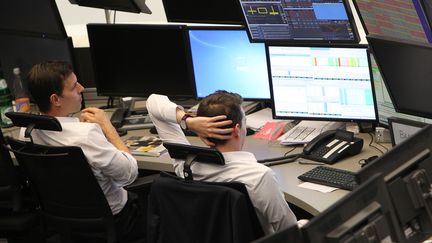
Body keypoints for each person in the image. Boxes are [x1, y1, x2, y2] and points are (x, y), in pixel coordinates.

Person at [22, 60, 145, 242]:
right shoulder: (85, 135)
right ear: (55, 99)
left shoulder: (25, 132)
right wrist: (107, 127)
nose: (82, 88)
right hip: (117, 223)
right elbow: (129, 174)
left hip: (64, 225)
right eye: (73, 87)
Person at [146, 91, 298, 235]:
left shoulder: (186, 166)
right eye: (245, 121)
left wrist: (188, 121)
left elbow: (153, 101)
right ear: (237, 129)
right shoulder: (260, 177)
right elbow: (289, 231)